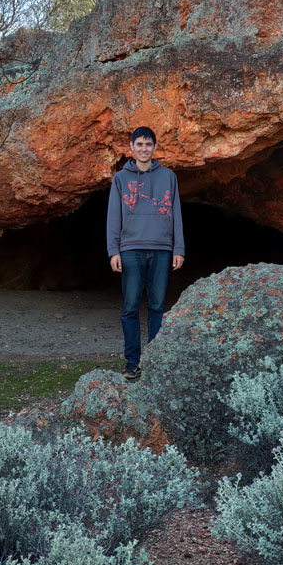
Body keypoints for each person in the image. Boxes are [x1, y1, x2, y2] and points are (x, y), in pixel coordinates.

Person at [106, 126, 184, 380]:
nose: (143, 149)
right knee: (130, 308)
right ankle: (132, 363)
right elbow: (113, 217)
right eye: (139, 144)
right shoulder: (121, 179)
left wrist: (179, 248)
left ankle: (154, 363)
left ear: (154, 147)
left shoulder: (168, 177)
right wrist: (113, 250)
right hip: (130, 249)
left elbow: (176, 214)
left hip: (162, 249)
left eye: (148, 144)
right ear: (131, 147)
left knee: (157, 307)